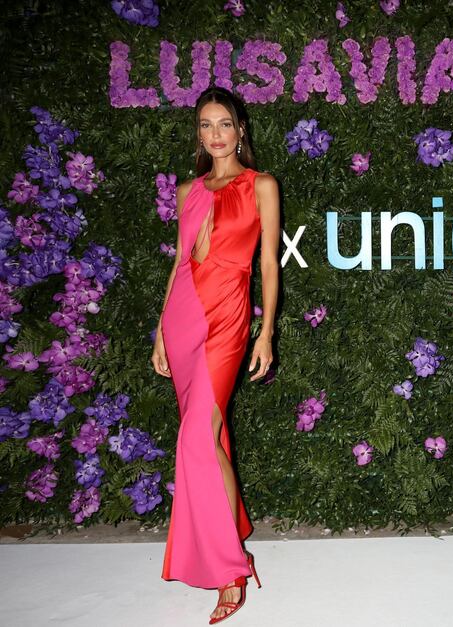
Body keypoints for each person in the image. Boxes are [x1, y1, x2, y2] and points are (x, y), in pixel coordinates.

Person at [150, 86, 280, 624]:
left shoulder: (262, 185)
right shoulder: (188, 191)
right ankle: (231, 534)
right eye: (206, 125)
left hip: (228, 314)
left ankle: (232, 565)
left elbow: (269, 263)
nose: (216, 134)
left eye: (224, 123)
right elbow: (179, 264)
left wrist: (265, 331)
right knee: (211, 433)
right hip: (183, 315)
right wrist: (160, 332)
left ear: (240, 129)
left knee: (199, 437)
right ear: (199, 134)